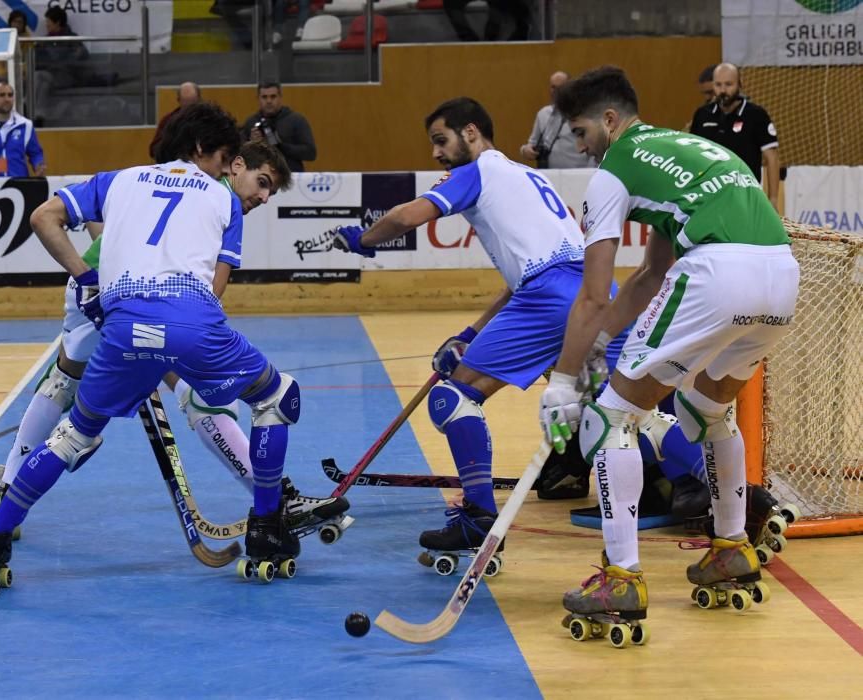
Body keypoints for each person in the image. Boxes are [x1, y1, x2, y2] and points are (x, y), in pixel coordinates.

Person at [0, 104, 332, 587]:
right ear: (202, 149)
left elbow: (43, 217)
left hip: (117, 316)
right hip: (190, 316)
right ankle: (268, 524)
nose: (227, 168)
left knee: (74, 431)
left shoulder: (120, 179)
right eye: (224, 157)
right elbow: (212, 294)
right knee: (275, 397)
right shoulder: (223, 199)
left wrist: (87, 278)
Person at [330, 97, 705, 562]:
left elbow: (408, 216)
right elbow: (524, 279)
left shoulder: (477, 171)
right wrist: (471, 332)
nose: (435, 154)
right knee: (625, 413)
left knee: (454, 397)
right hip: (594, 295)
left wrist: (362, 241)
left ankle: (479, 516)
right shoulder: (528, 177)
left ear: (471, 133)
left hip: (550, 297)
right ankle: (733, 491)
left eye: (440, 141)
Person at [541, 66, 798, 638]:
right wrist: (601, 348)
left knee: (611, 419)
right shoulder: (686, 149)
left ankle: (622, 578)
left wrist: (563, 382)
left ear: (610, 120)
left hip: (719, 273)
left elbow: (592, 292)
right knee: (705, 412)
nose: (580, 148)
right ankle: (730, 548)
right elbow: (650, 275)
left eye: (581, 133)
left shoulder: (614, 170)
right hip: (782, 275)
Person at [689, 62, 781, 213]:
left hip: (746, 197)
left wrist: (773, 199)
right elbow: (692, 156)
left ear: (740, 84)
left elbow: (772, 158)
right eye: (718, 85)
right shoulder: (702, 115)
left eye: (728, 84)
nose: (723, 90)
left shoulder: (756, 115)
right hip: (710, 197)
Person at [520, 71, 595, 169]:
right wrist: (525, 150)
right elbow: (531, 143)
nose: (556, 92)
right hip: (549, 176)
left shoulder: (583, 114)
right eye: (553, 87)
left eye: (560, 88)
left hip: (579, 175)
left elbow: (593, 148)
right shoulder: (543, 114)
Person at [240, 82, 316, 173]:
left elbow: (311, 153)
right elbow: (239, 154)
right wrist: (251, 143)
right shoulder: (251, 122)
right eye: (264, 97)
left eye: (273, 97)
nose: (269, 101)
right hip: (259, 178)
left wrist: (280, 146)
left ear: (280, 97)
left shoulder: (296, 120)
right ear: (258, 99)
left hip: (290, 176)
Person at [148, 82, 201, 160]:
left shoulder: (210, 119)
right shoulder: (168, 121)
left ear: (199, 99)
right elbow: (153, 150)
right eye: (186, 103)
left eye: (192, 103)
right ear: (178, 100)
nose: (190, 108)